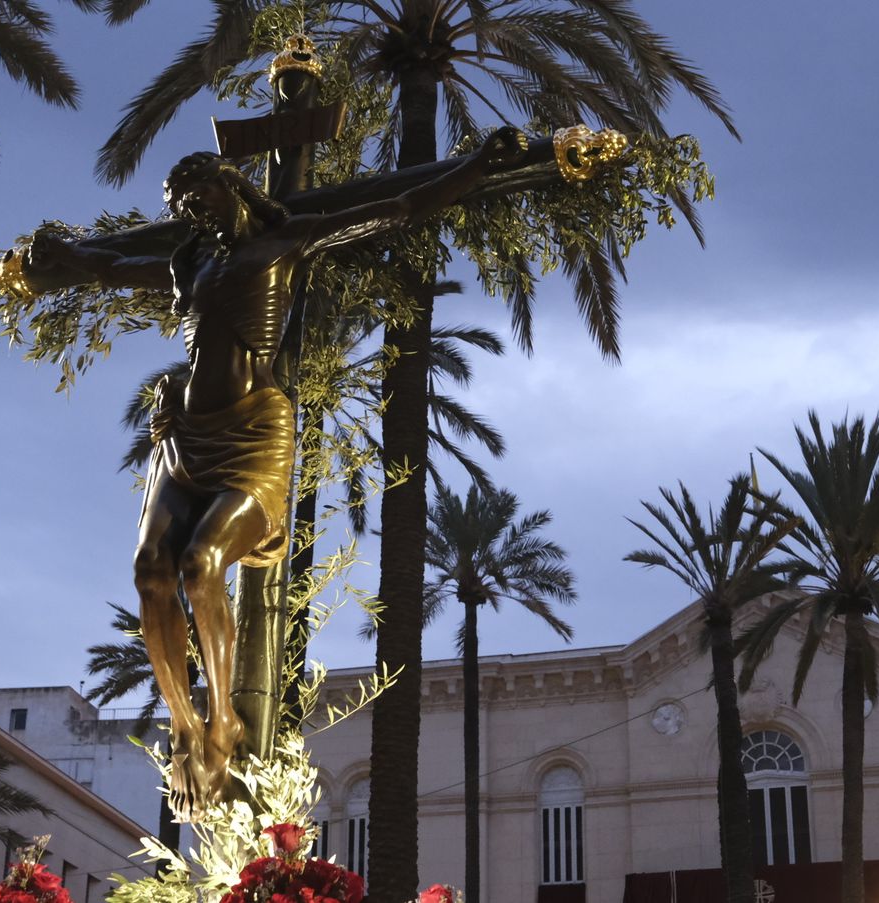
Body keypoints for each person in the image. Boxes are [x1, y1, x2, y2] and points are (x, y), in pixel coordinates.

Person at [28, 126, 529, 820]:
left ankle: (225, 718)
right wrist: (66, 256)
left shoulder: (288, 241)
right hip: (184, 439)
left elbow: (401, 205)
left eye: (194, 192)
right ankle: (184, 723)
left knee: (202, 566)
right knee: (150, 571)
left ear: (228, 184)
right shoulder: (192, 261)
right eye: (178, 201)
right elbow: (113, 268)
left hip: (256, 431)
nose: (188, 209)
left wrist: (475, 164)